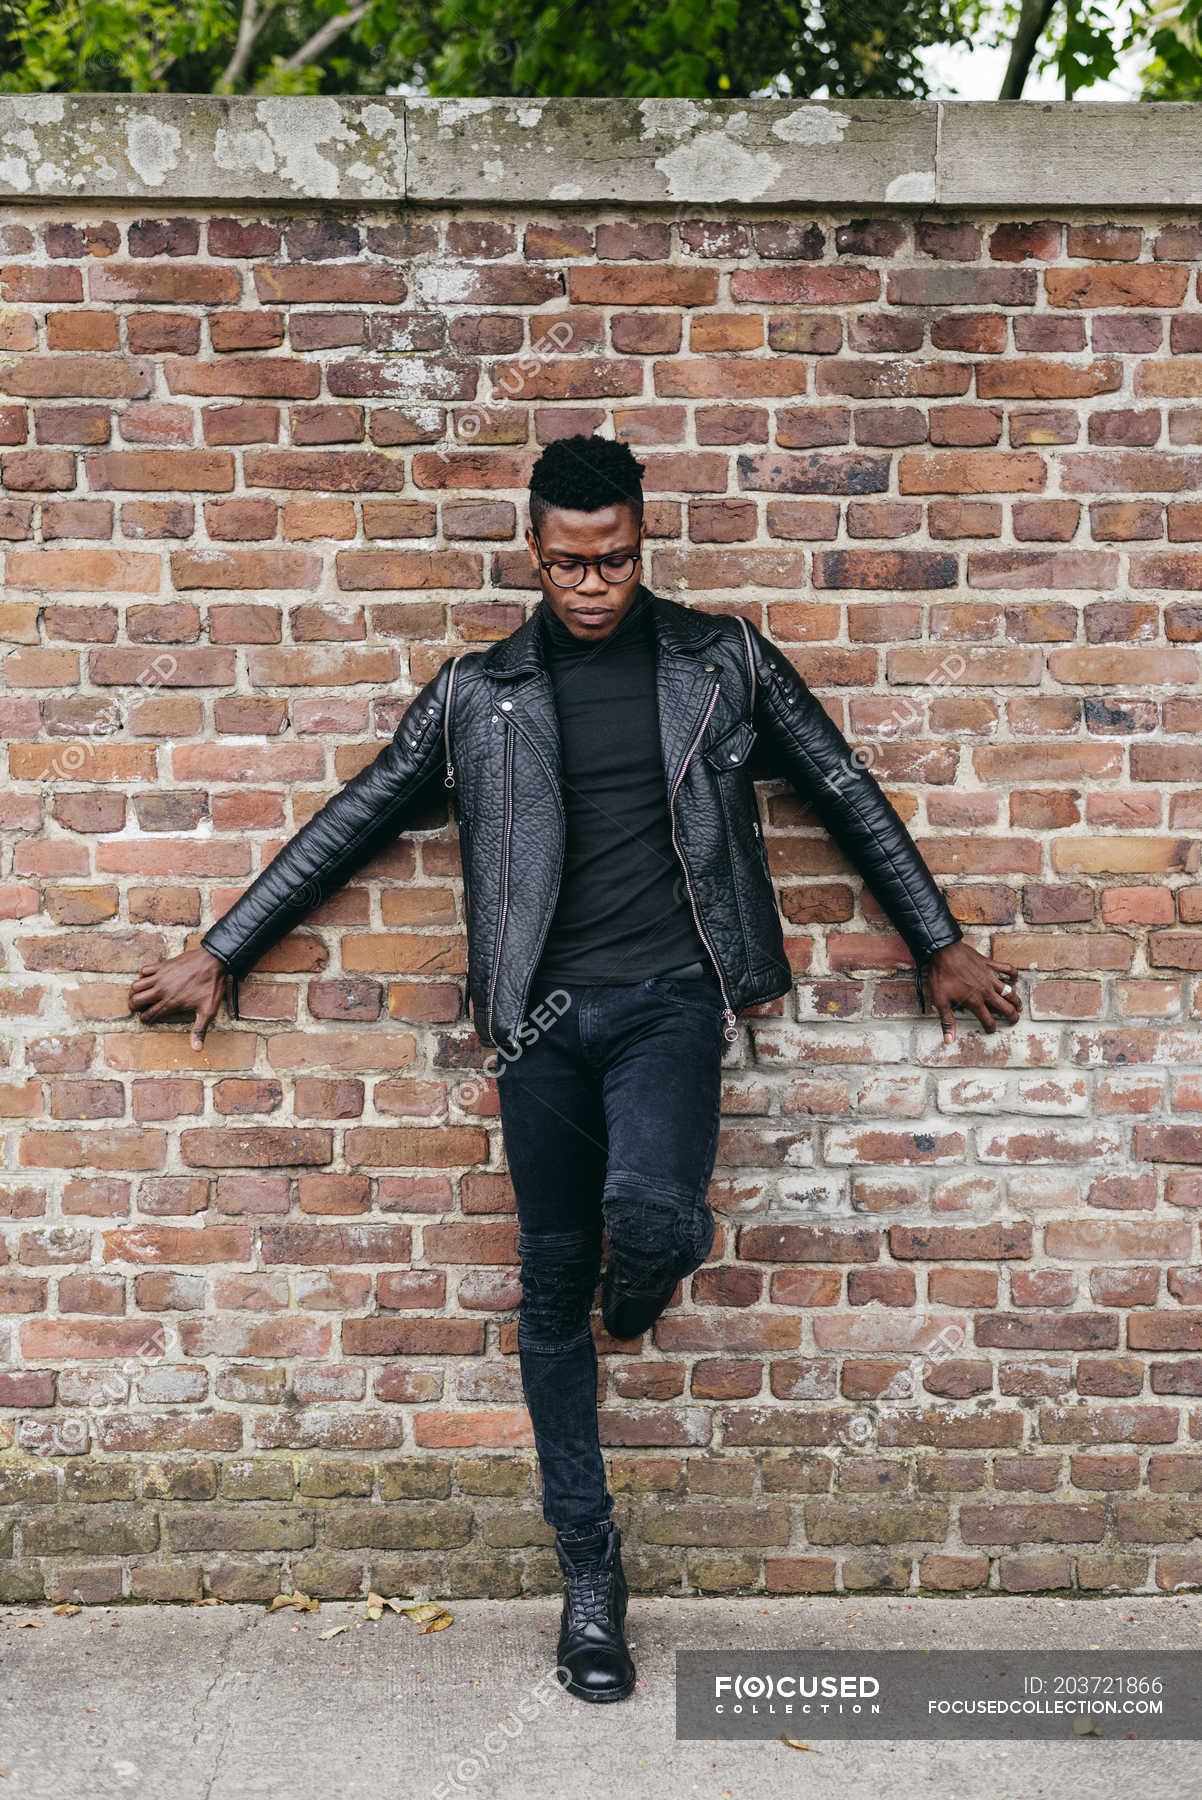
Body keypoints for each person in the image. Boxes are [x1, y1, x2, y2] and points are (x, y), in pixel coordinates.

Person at [128, 432, 1021, 1704]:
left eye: (612, 560)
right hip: (539, 1028)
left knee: (648, 1224)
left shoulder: (720, 660)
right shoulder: (477, 694)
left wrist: (935, 940)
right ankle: (589, 1579)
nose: (590, 585)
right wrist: (225, 948)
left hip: (669, 1003)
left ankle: (636, 1287)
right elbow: (358, 812)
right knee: (549, 1292)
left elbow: (836, 781)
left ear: (642, 544)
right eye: (565, 564)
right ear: (532, 552)